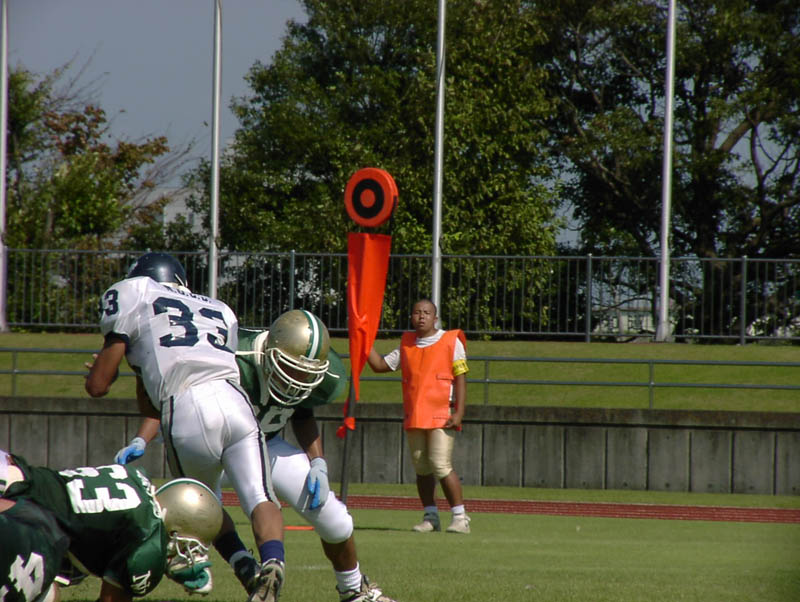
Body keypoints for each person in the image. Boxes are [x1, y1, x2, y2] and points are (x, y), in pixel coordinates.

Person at [114, 309, 397, 602]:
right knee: (203, 507)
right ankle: (246, 567)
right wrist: (142, 437)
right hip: (218, 448)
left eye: (306, 374)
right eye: (291, 369)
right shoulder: (234, 356)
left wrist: (318, 463)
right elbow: (177, 392)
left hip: (268, 445)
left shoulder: (316, 370)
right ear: (269, 352)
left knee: (336, 520)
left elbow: (303, 414)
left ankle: (354, 590)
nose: (297, 380)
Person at [84, 251, 285, 602]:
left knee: (202, 505)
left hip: (186, 404)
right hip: (235, 399)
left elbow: (97, 386)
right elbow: (152, 382)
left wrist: (104, 371)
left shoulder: (135, 292)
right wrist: (138, 379)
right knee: (260, 496)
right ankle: (273, 561)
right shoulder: (219, 308)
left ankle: (244, 567)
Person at [0, 449, 223, 602]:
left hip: (11, 470)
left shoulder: (135, 477)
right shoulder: (147, 538)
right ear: (175, 525)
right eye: (187, 546)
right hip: (18, 511)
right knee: (42, 591)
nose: (186, 553)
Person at [367, 298, 470, 534]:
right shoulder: (407, 344)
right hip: (415, 414)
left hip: (442, 413)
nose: (421, 316)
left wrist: (459, 411)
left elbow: (461, 378)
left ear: (435, 318)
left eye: (426, 313)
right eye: (417, 312)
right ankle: (430, 516)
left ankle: (460, 517)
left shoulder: (451, 341)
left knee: (441, 464)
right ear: (411, 317)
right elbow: (380, 365)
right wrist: (363, 343)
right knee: (422, 467)